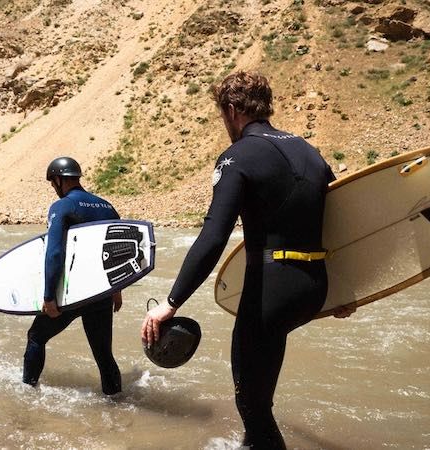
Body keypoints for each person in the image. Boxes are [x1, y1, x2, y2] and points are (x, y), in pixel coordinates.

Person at [141, 71, 352, 448]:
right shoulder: (308, 150)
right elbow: (339, 217)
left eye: (223, 114)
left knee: (252, 406)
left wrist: (170, 304)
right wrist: (346, 288)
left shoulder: (237, 156)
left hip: (269, 291)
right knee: (259, 394)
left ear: (233, 109)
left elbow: (214, 234)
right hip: (313, 288)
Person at [23, 156, 123, 395]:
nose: (53, 188)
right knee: (103, 354)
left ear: (58, 180)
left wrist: (49, 296)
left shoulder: (63, 206)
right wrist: (117, 290)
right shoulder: (107, 206)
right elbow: (118, 250)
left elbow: (55, 253)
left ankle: (27, 394)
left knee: (36, 337)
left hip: (73, 292)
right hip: (101, 292)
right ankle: (117, 403)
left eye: (53, 183)